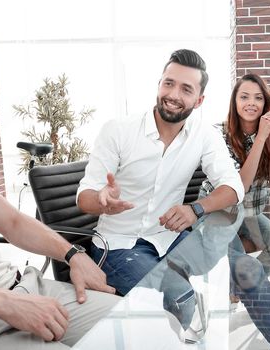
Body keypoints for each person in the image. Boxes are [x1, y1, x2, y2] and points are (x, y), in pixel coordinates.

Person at [76, 49, 244, 297]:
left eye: (186, 89)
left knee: (247, 271)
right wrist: (102, 201)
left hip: (169, 239)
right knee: (179, 297)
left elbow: (233, 187)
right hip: (117, 246)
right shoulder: (117, 130)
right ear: (159, 85)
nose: (173, 95)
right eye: (169, 84)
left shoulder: (205, 135)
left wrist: (195, 209)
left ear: (199, 101)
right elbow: (84, 198)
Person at [0, 153, 119, 349]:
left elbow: (12, 222)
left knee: (146, 324)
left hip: (19, 289)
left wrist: (72, 254)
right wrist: (2, 302)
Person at [199, 74, 270, 347]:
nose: (251, 103)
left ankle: (238, 289)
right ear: (234, 102)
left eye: (258, 98)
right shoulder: (218, 133)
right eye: (244, 97)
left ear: (266, 104)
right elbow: (239, 186)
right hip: (220, 213)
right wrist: (260, 137)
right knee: (243, 266)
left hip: (250, 214)